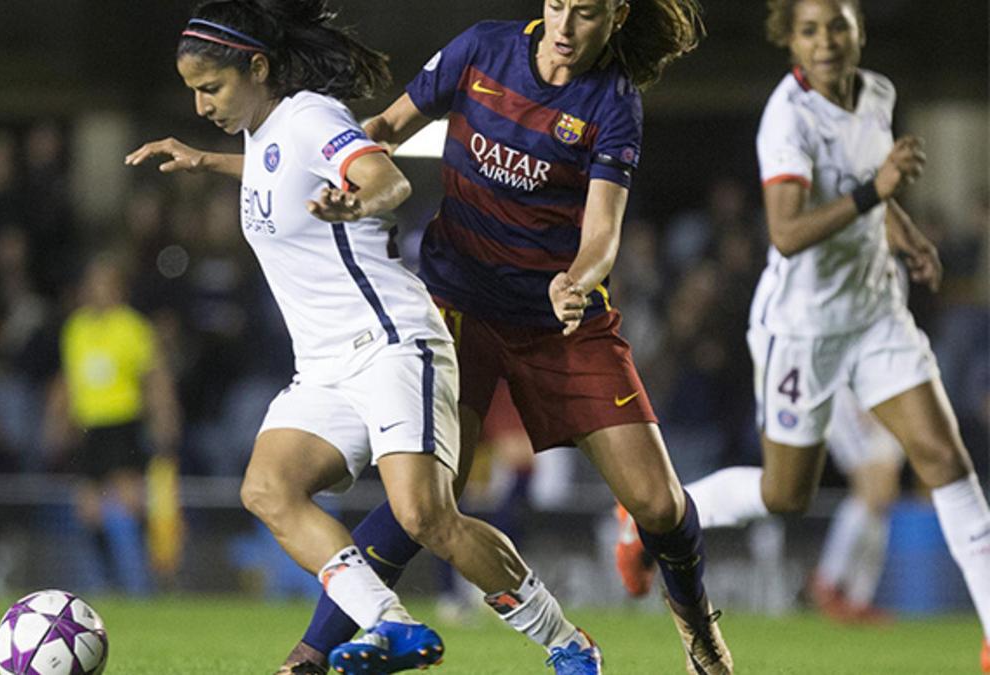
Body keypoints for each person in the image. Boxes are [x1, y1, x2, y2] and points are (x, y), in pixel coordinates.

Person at [125, 1, 601, 673]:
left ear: (257, 67)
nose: (201, 105)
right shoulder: (264, 131)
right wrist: (206, 159)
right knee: (267, 486)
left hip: (390, 343)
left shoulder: (311, 116)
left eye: (211, 89)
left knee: (426, 517)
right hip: (323, 369)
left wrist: (357, 198)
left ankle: (567, 641)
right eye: (193, 93)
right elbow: (274, 171)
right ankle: (389, 622)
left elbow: (387, 176)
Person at [274, 1, 734, 674]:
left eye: (585, 14)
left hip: (559, 322)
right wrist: (340, 179)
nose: (564, 28)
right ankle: (313, 652)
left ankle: (698, 630)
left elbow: (603, 231)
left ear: (617, 15)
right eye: (556, 7)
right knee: (424, 501)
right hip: (456, 308)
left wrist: (575, 280)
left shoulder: (612, 101)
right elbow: (385, 129)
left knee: (659, 502)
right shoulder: (482, 51)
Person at [612, 1, 990, 669]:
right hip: (803, 329)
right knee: (786, 494)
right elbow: (787, 231)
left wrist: (905, 235)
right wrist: (879, 192)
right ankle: (656, 514)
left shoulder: (878, 93)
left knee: (947, 461)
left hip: (876, 315)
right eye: (810, 29)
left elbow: (869, 186)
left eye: (838, 25)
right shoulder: (787, 117)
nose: (827, 41)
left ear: (859, 31)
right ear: (789, 39)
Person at [44, 253, 183, 594]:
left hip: (124, 422)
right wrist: (57, 419)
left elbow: (154, 377)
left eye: (106, 283)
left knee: (131, 501)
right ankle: (110, 582)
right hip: (89, 427)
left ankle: (154, 577)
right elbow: (69, 378)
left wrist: (164, 417)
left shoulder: (132, 327)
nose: (99, 290)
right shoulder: (76, 328)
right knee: (88, 510)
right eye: (94, 283)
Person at [808, 385, 902, 624]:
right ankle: (829, 580)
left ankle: (858, 599)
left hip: (894, 392)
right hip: (856, 392)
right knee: (868, 491)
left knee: (882, 500)